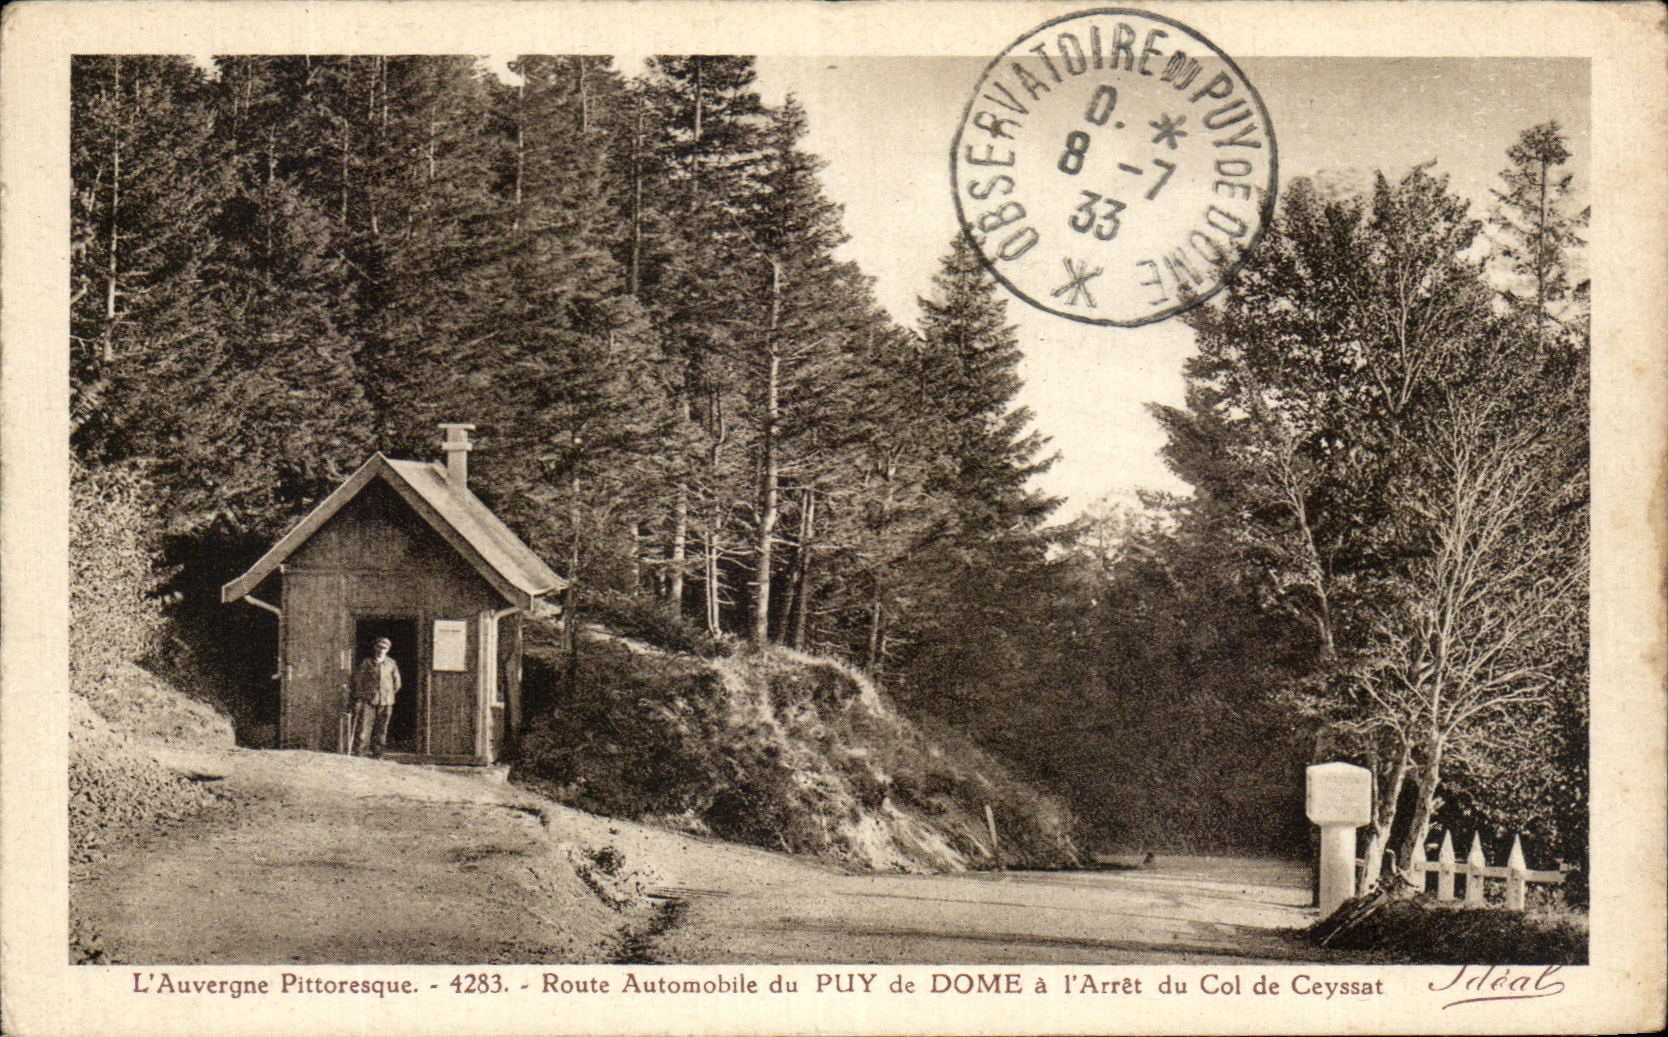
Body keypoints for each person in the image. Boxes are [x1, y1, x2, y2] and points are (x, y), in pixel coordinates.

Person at [351, 637, 401, 757]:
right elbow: (357, 681)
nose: (381, 650)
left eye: (384, 648)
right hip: (368, 701)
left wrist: (388, 694)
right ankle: (360, 753)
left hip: (386, 702)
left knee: (382, 729)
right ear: (375, 648)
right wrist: (361, 697)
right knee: (364, 728)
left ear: (388, 650)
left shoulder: (391, 664)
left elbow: (397, 683)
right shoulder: (366, 663)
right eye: (379, 647)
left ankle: (378, 753)